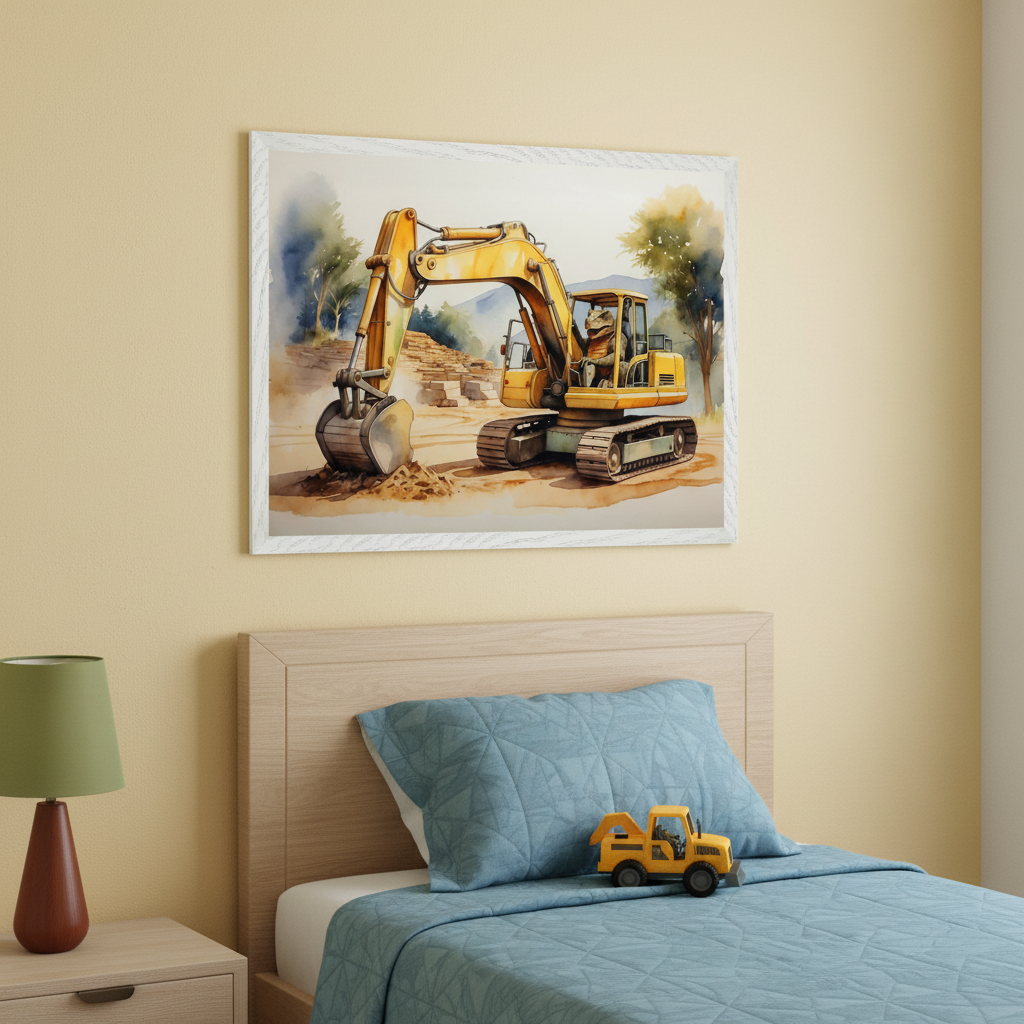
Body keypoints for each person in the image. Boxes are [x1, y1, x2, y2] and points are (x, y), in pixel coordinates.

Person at [580, 306, 621, 387]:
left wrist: (594, 361)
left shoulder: (616, 338)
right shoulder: (592, 340)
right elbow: (581, 346)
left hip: (610, 378)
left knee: (623, 366)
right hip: (594, 376)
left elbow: (616, 356)